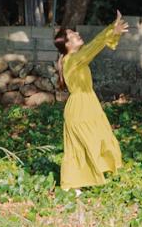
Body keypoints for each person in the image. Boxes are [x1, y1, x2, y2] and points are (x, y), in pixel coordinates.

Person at [55, 10, 130, 190]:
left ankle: (80, 181)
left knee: (99, 138)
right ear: (66, 44)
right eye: (73, 35)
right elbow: (93, 47)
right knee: (81, 146)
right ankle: (70, 184)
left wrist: (113, 32)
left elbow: (91, 47)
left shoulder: (72, 58)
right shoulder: (71, 60)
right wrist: (111, 30)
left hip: (89, 105)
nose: (77, 34)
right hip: (79, 108)